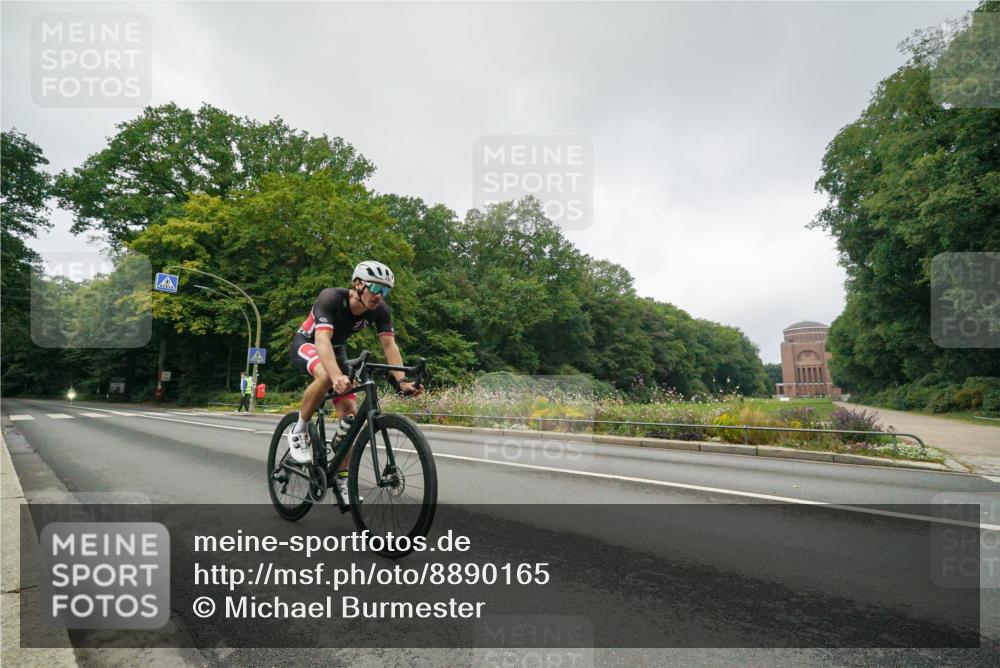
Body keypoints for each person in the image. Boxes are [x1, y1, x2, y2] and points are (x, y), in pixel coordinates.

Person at [287, 261, 422, 503]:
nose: (380, 296)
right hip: (309, 342)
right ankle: (298, 429)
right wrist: (337, 376)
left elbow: (389, 345)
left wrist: (401, 381)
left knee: (349, 416)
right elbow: (322, 341)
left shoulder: (380, 310)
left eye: (386, 291)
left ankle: (341, 479)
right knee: (327, 377)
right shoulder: (330, 298)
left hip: (336, 349)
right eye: (376, 289)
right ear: (358, 284)